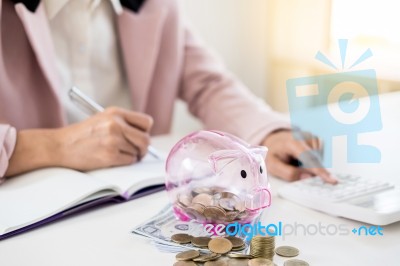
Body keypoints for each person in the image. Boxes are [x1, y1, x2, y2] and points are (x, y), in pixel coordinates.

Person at [0, 0, 336, 184]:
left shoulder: (155, 5)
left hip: (135, 205)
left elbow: (209, 83)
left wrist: (270, 132)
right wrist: (57, 146)